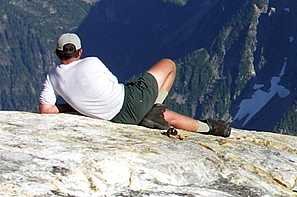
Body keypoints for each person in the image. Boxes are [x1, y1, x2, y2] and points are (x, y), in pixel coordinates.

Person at [38, 33, 230, 137]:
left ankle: (209, 128)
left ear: (57, 54)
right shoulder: (92, 62)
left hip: (118, 120)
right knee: (168, 65)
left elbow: (45, 110)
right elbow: (113, 83)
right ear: (80, 52)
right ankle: (157, 108)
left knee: (163, 116)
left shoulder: (52, 77)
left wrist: (72, 106)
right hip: (128, 100)